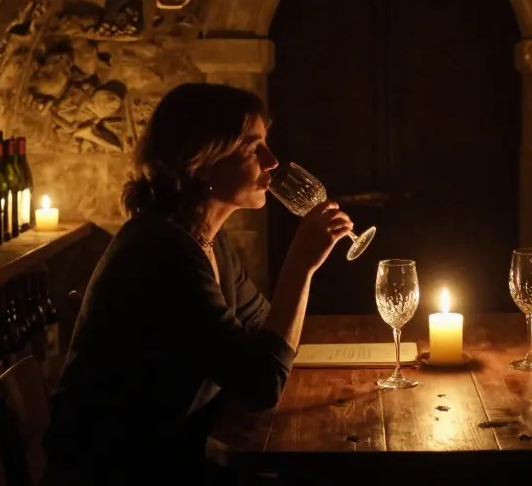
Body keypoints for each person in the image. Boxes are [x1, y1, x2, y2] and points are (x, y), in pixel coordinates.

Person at [42, 82, 354, 483]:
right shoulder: (162, 254)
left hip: (171, 451)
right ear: (202, 161)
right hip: (119, 469)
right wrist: (300, 265)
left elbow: (262, 328)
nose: (272, 161)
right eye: (252, 147)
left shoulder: (205, 240)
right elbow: (261, 383)